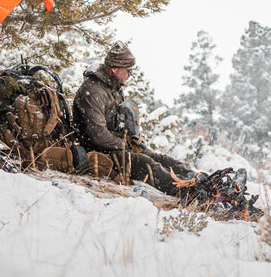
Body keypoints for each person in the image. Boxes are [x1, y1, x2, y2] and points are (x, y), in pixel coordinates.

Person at [72, 41, 197, 196]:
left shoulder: (112, 87)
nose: (130, 74)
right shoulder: (93, 91)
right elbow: (98, 134)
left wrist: (131, 140)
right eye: (128, 70)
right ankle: (188, 193)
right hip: (97, 151)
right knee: (145, 163)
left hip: (113, 146)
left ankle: (196, 177)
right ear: (114, 69)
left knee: (156, 157)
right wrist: (123, 144)